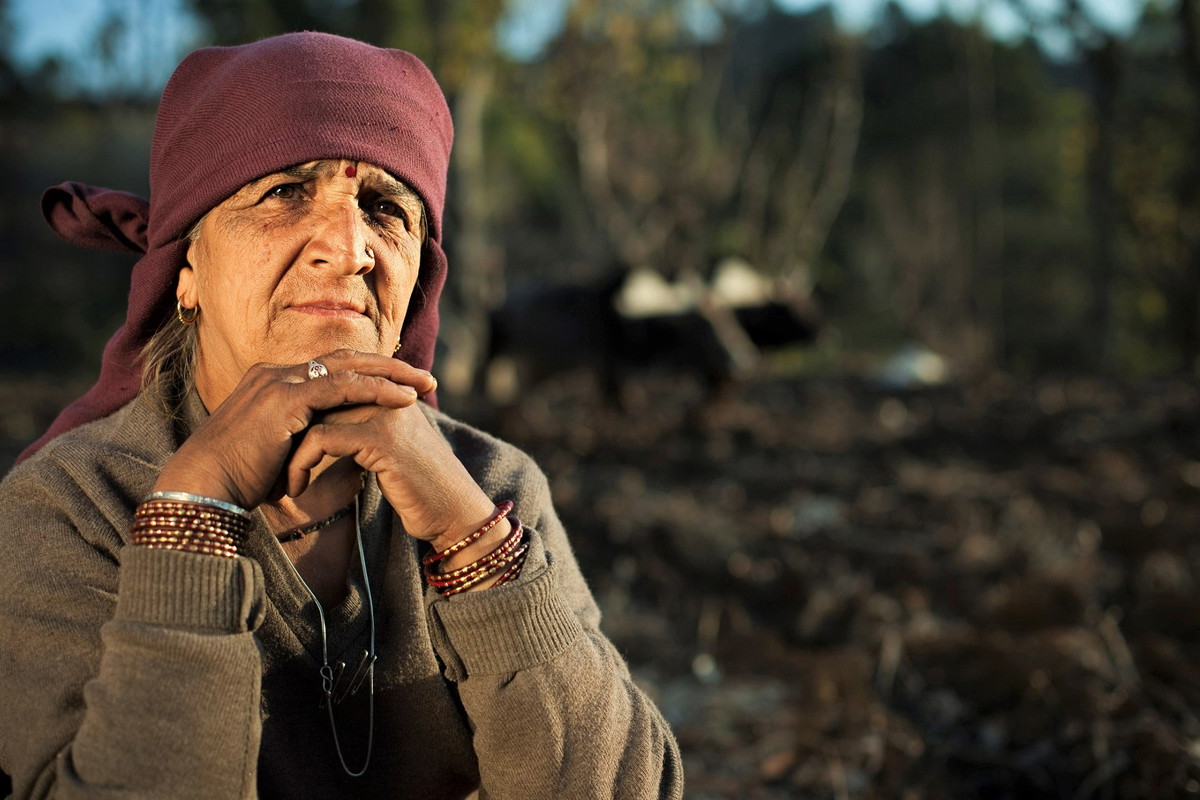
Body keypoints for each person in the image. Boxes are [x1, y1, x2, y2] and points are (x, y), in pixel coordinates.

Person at [0, 32, 683, 799]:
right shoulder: (72, 509)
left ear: (418, 274)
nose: (349, 247)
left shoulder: (492, 486)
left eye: (386, 208)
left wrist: (474, 545)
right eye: (285, 192)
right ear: (185, 271)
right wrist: (195, 511)